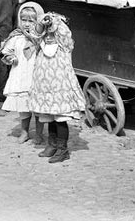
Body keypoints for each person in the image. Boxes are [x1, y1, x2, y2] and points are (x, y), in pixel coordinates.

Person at [28, 11, 86, 163]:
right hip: (45, 88)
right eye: (46, 33)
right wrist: (42, 24)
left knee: (60, 118)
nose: (48, 36)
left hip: (59, 89)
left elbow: (65, 36)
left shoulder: (63, 46)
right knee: (49, 116)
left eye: (50, 33)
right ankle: (52, 144)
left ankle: (62, 149)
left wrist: (55, 22)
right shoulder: (41, 44)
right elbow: (34, 34)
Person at [0, 1, 45, 144]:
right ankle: (24, 132)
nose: (26, 24)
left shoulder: (42, 38)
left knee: (38, 107)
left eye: (31, 21)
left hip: (36, 76)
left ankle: (39, 134)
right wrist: (10, 57)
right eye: (24, 20)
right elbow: (6, 52)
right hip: (20, 75)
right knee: (23, 107)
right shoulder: (16, 37)